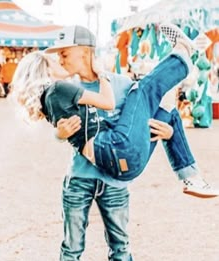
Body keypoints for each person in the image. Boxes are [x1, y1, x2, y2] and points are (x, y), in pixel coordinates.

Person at [12, 24, 218, 260]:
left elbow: (142, 116)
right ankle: (183, 51)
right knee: (72, 247)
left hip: (115, 176)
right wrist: (59, 134)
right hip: (82, 176)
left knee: (120, 247)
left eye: (64, 53)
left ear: (85, 51)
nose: (60, 59)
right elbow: (61, 128)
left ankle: (190, 176)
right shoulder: (66, 89)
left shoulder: (119, 84)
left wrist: (170, 133)